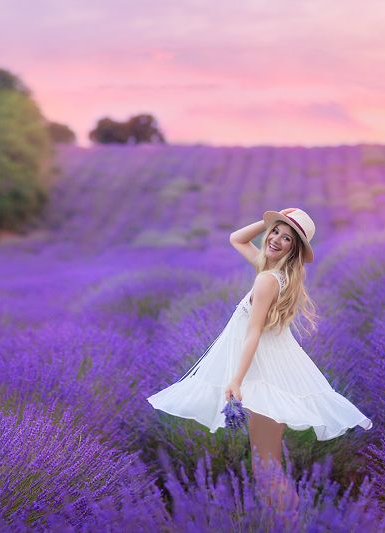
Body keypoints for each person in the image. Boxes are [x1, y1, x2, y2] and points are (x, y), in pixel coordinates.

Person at [146, 207, 372, 509]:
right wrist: (272, 221)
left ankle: (288, 523)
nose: (276, 239)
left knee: (266, 466)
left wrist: (236, 381)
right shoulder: (272, 273)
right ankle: (285, 521)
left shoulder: (267, 280)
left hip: (265, 380)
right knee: (266, 463)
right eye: (275, 232)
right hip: (273, 376)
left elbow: (252, 333)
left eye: (287, 239)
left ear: (294, 251)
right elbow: (236, 239)